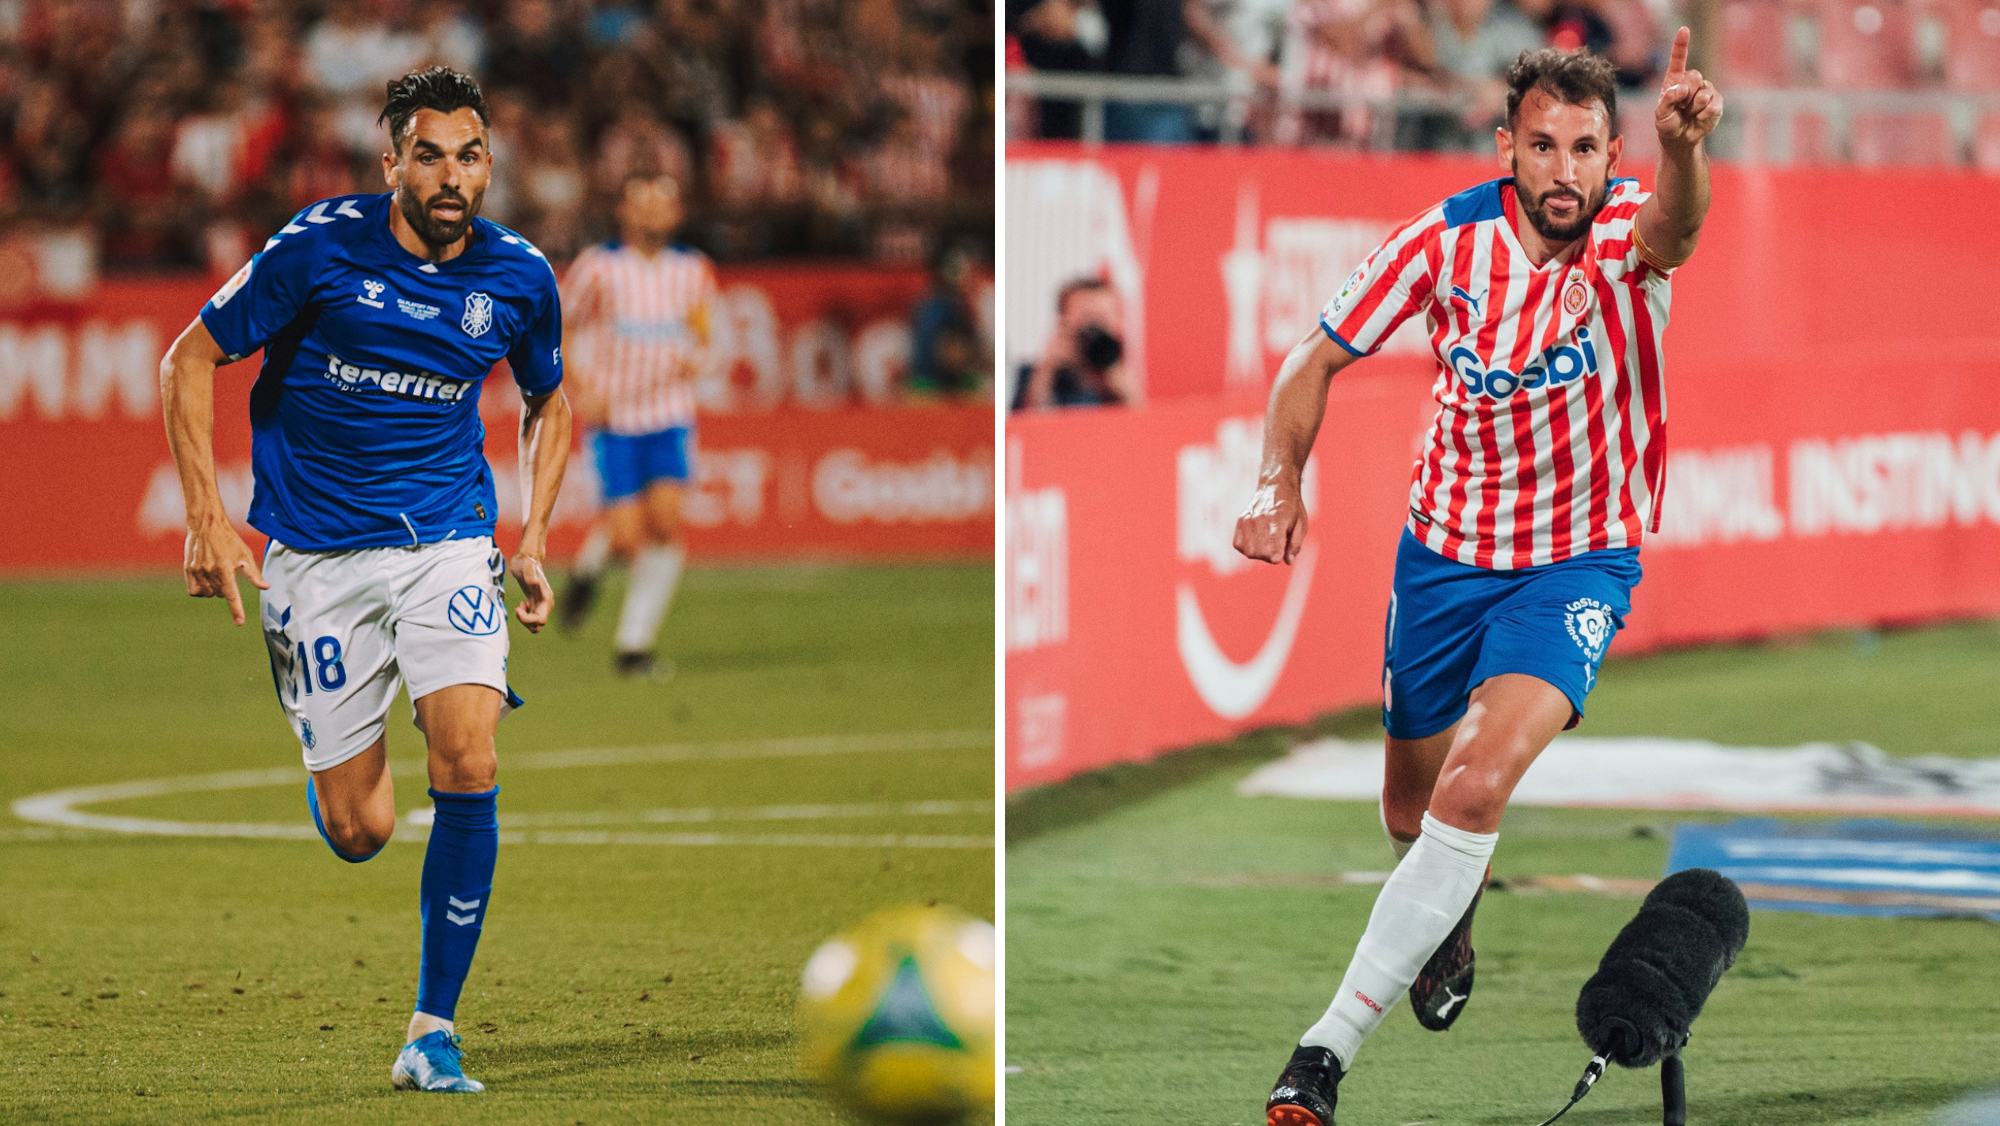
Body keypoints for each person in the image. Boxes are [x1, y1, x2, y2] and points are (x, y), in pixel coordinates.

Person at [1239, 38, 1721, 1126]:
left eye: (1587, 148)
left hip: (1576, 560)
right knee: (1408, 807)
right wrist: (1277, 484)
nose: (1565, 170)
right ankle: (1445, 918)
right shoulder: (1442, 240)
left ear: (1610, 155)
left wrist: (1681, 149)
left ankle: (1319, 1053)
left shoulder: (1625, 233)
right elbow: (1309, 362)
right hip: (1444, 554)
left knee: (1468, 788)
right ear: (1505, 145)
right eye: (1542, 145)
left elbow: (1676, 227)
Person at [159, 66, 571, 1095]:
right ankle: (353, 736)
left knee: (467, 756)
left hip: (445, 542)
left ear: (489, 166)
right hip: (317, 561)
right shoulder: (318, 250)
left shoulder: (518, 277)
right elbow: (186, 359)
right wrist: (208, 519)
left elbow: (549, 401)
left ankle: (432, 1031)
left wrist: (533, 535)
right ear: (392, 164)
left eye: (469, 155)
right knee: (360, 831)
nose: (450, 175)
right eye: (427, 154)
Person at [557, 174, 716, 678]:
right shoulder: (598, 267)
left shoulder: (692, 270)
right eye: (642, 202)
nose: (652, 211)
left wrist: (701, 357)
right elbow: (563, 323)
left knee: (666, 528)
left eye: (662, 202)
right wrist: (582, 386)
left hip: (669, 414)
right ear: (623, 211)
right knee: (628, 538)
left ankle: (633, 645)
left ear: (677, 213)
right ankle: (588, 569)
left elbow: (704, 331)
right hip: (616, 417)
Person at [1011, 276, 1134, 409]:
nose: (1096, 327)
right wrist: (1047, 371)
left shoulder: (1121, 376)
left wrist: (1125, 391)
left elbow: (1142, 424)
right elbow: (1024, 425)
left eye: (1104, 317)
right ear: (1063, 322)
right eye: (1087, 317)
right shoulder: (1032, 376)